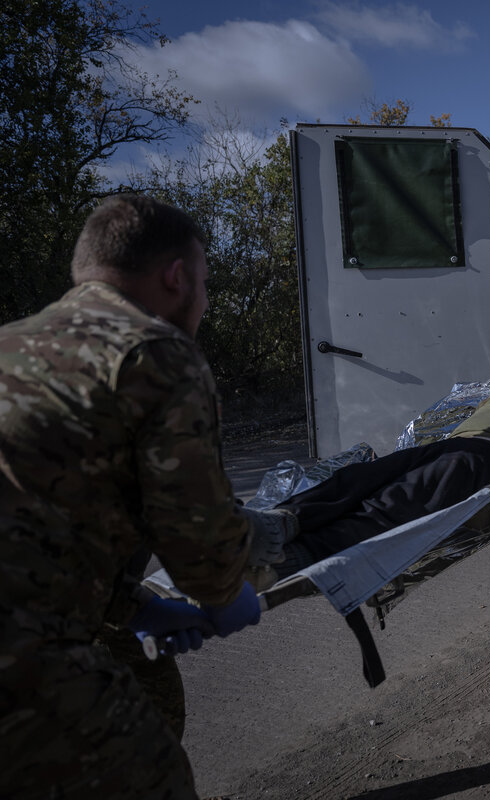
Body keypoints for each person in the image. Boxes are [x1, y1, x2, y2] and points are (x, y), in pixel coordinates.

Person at [0, 194, 264, 800]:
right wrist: (226, 594)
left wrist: (131, 604)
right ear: (176, 276)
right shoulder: (154, 354)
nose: (203, 300)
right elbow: (202, 544)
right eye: (203, 282)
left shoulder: (13, 344)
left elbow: (32, 526)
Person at [258, 368, 490, 581]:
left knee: (392, 496)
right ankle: (283, 522)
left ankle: (296, 549)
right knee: (369, 478)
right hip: (471, 445)